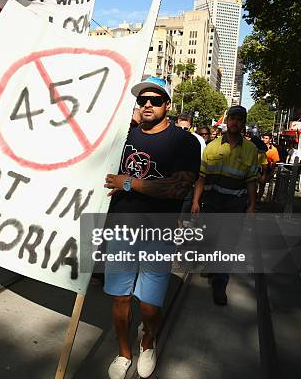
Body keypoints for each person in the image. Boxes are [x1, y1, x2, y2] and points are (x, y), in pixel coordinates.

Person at [104, 77, 201, 378]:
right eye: (142, 100)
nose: (147, 104)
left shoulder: (183, 142)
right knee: (119, 297)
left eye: (155, 100)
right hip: (121, 228)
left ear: (167, 105)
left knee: (150, 303)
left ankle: (147, 342)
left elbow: (178, 189)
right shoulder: (124, 138)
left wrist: (130, 183)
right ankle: (123, 352)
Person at [191, 105, 259, 305]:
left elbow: (251, 181)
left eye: (239, 119)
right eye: (232, 118)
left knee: (227, 246)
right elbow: (201, 178)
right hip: (210, 205)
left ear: (243, 123)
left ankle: (220, 284)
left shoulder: (251, 150)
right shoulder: (211, 147)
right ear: (227, 120)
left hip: (234, 207)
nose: (235, 122)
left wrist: (252, 206)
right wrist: (195, 201)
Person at [259, 133, 280, 201]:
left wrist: (271, 173)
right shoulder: (258, 146)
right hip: (257, 168)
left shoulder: (274, 149)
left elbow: (274, 163)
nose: (264, 139)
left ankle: (258, 199)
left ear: (270, 140)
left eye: (266, 138)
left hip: (267, 169)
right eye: (264, 138)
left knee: (262, 186)